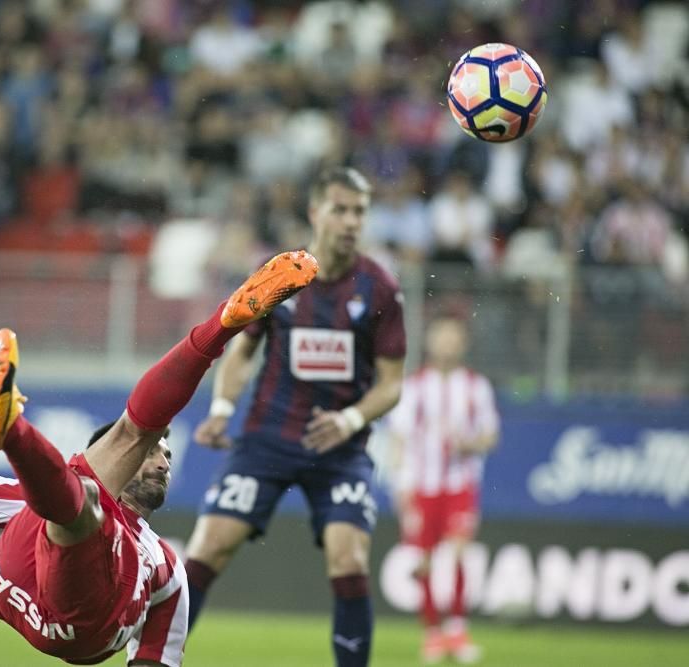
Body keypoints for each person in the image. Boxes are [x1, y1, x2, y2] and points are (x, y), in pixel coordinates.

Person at [0, 250, 319, 666]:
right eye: (155, 453)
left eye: (167, 456)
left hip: (84, 625)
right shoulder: (29, 494)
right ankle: (220, 326)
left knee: (87, 496)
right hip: (19, 578)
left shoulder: (168, 568)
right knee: (93, 478)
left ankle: (12, 429)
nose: (163, 462)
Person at [184, 167, 406, 667]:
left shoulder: (380, 288)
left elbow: (392, 384)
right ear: (315, 212)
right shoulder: (279, 273)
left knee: (348, 562)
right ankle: (155, 659)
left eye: (360, 212)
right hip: (267, 437)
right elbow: (242, 351)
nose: (351, 222)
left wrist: (349, 420)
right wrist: (221, 409)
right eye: (340, 209)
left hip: (341, 449)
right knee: (205, 550)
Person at [389, 313, 500, 665]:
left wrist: (471, 444)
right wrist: (401, 484)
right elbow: (399, 438)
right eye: (442, 336)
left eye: (454, 337)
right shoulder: (415, 387)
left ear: (463, 342)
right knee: (423, 562)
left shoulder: (476, 386)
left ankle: (457, 628)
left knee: (458, 551)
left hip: (459, 483)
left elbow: (490, 435)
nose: (447, 343)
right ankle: (433, 634)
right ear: (431, 341)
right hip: (422, 485)